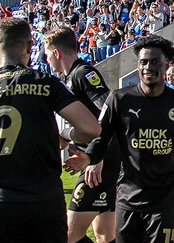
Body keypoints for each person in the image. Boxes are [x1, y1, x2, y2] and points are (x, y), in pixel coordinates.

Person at [0, 18, 100, 243]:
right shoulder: (46, 83)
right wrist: (65, 136)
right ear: (29, 46)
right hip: (44, 200)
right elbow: (90, 128)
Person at [69, 35, 174, 242]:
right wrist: (88, 158)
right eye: (143, 62)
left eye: (155, 62)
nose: (148, 67)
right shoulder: (118, 99)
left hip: (165, 199)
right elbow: (102, 138)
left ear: (167, 65)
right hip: (127, 197)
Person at [43, 27, 117, 243]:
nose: (46, 60)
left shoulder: (83, 73)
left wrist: (98, 157)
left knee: (69, 235)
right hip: (102, 161)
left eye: (47, 55)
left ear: (56, 53)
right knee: (104, 234)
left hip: (99, 164)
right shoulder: (71, 77)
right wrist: (66, 136)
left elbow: (108, 111)